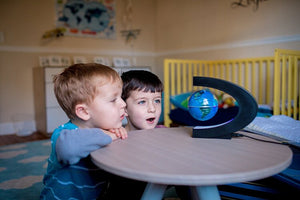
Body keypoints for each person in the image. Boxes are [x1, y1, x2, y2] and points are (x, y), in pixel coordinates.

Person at [40, 63, 128, 200]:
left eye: (121, 97)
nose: (123, 104)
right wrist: (107, 135)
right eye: (113, 100)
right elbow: (69, 148)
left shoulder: (103, 127)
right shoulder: (64, 134)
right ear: (84, 111)